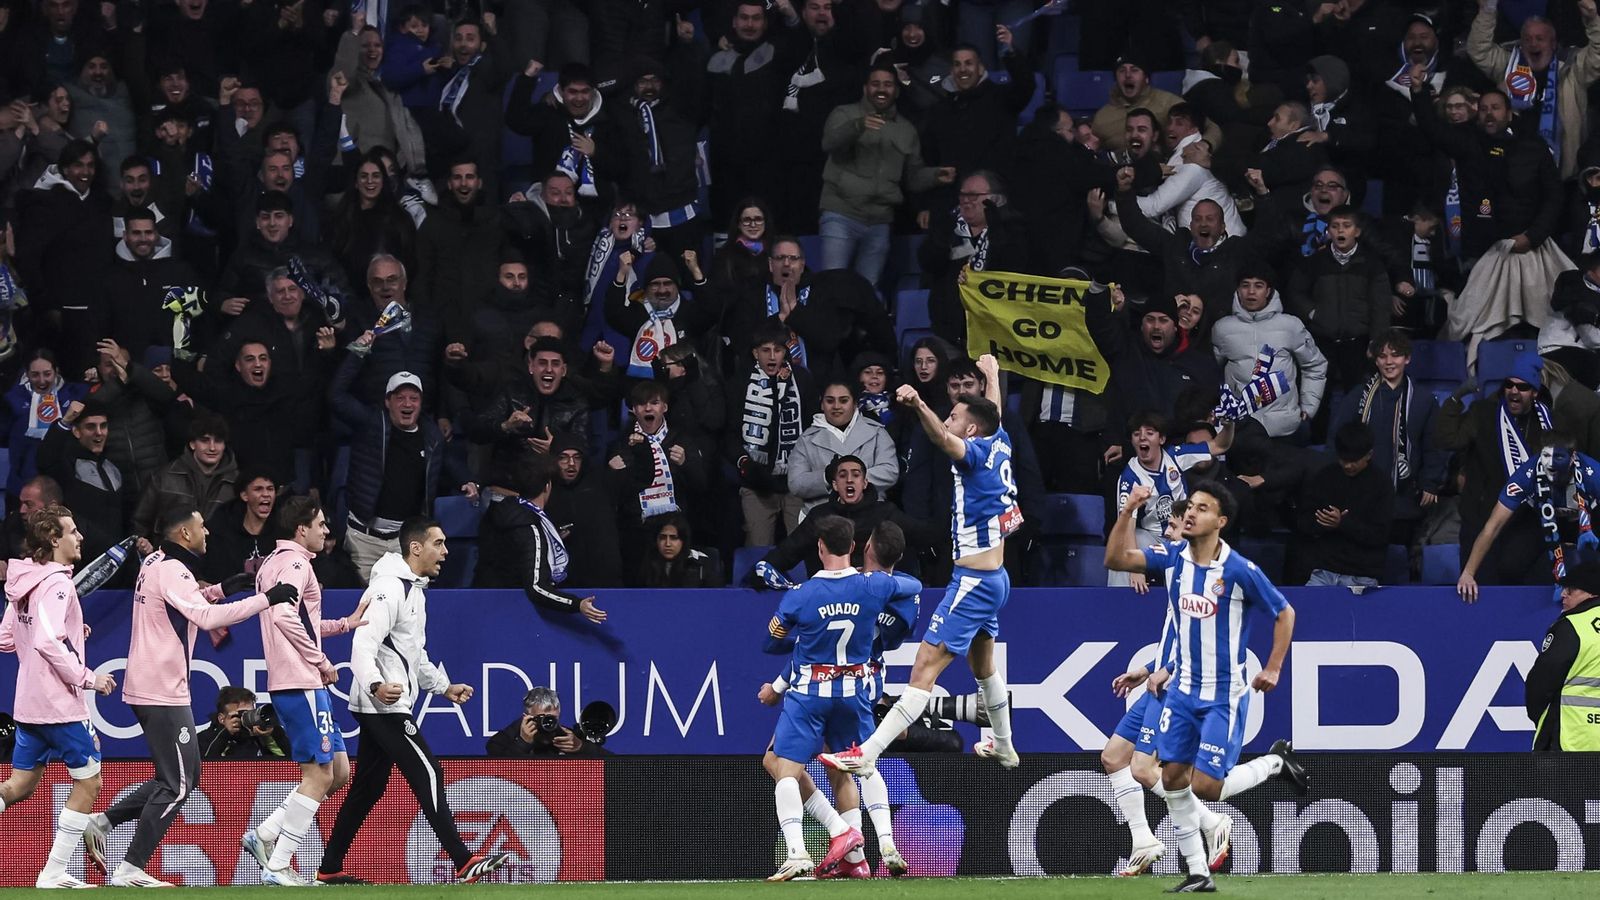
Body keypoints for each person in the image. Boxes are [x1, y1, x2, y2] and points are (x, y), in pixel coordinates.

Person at [821, 355, 1021, 774]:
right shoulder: (999, 438)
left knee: (923, 671)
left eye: (953, 415)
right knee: (984, 670)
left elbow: (945, 441)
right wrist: (991, 377)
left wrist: (917, 406)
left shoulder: (972, 454)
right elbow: (993, 412)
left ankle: (867, 753)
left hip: (973, 581)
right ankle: (1004, 745)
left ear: (970, 430)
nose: (948, 420)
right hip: (995, 578)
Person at [1104, 481, 1306, 892]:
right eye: (1190, 506)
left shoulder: (1239, 571)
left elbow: (1285, 613)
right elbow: (1116, 558)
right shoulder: (1174, 558)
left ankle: (1274, 763)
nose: (1192, 513)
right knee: (1173, 777)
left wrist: (1274, 667)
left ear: (1221, 521)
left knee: (1206, 788)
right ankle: (1198, 872)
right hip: (1179, 692)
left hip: (1222, 695)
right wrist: (1128, 512)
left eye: (1202, 508)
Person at [82, 510, 294, 887]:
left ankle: (103, 821)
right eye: (200, 525)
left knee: (182, 777)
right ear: (185, 532)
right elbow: (207, 618)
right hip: (161, 689)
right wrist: (266, 599)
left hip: (155, 685)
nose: (207, 530)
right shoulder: (173, 570)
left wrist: (222, 588)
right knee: (178, 784)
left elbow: (185, 603)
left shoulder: (155, 561)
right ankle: (130, 868)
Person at [317, 518, 511, 884]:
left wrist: (443, 687)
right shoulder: (389, 589)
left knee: (368, 788)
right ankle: (464, 860)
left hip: (380, 700)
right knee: (429, 772)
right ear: (416, 548)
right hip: (384, 703)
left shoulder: (413, 590)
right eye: (438, 543)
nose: (446, 551)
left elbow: (413, 653)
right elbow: (362, 644)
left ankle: (329, 868)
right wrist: (375, 685)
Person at [759, 520, 922, 879]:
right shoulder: (872, 587)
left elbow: (771, 641)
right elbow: (913, 585)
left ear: (819, 547)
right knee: (856, 766)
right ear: (853, 545)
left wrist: (799, 635)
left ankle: (801, 850)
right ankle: (866, 853)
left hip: (811, 692)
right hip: (855, 691)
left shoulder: (801, 594)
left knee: (783, 767)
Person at [241, 497, 369, 886]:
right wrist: (322, 662)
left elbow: (304, 621)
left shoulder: (274, 563)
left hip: (299, 680)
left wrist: (346, 624)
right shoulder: (296, 564)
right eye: (321, 524)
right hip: (300, 680)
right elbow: (283, 617)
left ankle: (263, 834)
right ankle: (278, 865)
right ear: (301, 529)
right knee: (318, 774)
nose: (326, 531)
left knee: (340, 772)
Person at [1102, 501, 1234, 876]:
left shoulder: (1206, 574)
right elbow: (1175, 637)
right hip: (1157, 682)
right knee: (1113, 757)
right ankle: (1143, 840)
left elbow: (1203, 641)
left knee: (1144, 768)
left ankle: (1211, 822)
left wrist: (1128, 510)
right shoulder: (1180, 572)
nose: (1169, 536)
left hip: (1176, 687)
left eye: (1174, 528)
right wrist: (1146, 671)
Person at [0, 506, 118, 888]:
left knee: (19, 785)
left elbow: (7, 638)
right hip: (58, 706)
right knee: (90, 784)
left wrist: (68, 632)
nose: (80, 536)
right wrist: (87, 678)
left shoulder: (25, 581)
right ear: (54, 540)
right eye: (72, 530)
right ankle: (53, 873)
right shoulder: (57, 583)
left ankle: (54, 873)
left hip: (28, 706)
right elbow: (47, 639)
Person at [1435, 355, 1551, 586]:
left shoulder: (1546, 422)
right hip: (1480, 519)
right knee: (1477, 592)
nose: (1514, 392)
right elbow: (1447, 439)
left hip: (1523, 523)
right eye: (1509, 384)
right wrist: (1456, 399)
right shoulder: (1483, 413)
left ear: (1535, 392)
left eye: (1522, 387)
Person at [1457, 434, 1600, 601]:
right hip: (1541, 517)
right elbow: (1493, 526)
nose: (1550, 464)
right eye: (1545, 456)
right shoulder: (1526, 475)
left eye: (1559, 457)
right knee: (1510, 565)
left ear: (1572, 458)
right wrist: (1468, 573)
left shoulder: (1594, 473)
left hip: (1586, 520)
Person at [474, 459, 609, 624]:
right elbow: (537, 587)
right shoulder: (530, 528)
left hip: (484, 606)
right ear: (547, 486)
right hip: (515, 614)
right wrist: (577, 604)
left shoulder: (500, 513)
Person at [1112, 410, 1235, 589]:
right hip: (1153, 538)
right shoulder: (1129, 479)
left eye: (1149, 433)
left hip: (1185, 533)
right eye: (1137, 434)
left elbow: (1219, 446)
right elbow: (1126, 524)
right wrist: (1135, 569)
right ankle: (1119, 605)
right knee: (1122, 547)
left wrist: (1229, 425)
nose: (1142, 438)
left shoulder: (1176, 456)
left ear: (1161, 439)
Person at [1295, 424, 1396, 587]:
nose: (1348, 466)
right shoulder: (1324, 477)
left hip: (1363, 575)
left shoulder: (1381, 484)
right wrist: (1325, 523)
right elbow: (1304, 522)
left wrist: (1342, 523)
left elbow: (1380, 535)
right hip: (1324, 572)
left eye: (1354, 461)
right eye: (1343, 460)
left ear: (1369, 454)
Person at [788, 380, 899, 512]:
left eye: (843, 400)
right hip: (821, 518)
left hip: (870, 512)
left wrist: (846, 477)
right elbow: (795, 483)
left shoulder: (877, 432)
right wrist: (825, 477)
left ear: (855, 403)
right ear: (822, 404)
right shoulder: (806, 439)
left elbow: (890, 471)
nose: (836, 406)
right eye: (830, 401)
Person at [1525, 561, 1600, 750]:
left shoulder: (1573, 626)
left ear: (1591, 593)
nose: (1563, 594)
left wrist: (1542, 719)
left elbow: (1541, 683)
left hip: (1573, 738)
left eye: (1571, 589)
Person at [130, 414, 238, 539]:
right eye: (204, 440)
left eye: (218, 441)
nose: (212, 448)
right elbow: (139, 523)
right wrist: (143, 546)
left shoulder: (237, 483)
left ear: (224, 445)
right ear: (192, 444)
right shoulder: (164, 477)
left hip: (219, 555)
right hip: (169, 554)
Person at [486, 686, 607, 758]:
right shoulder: (504, 740)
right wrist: (522, 743)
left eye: (552, 718)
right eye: (541, 718)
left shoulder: (566, 738)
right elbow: (498, 778)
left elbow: (614, 762)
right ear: (526, 717)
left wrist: (581, 747)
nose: (547, 724)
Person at [199, 686, 289, 759]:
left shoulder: (260, 737)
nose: (247, 718)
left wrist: (272, 734)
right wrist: (225, 734)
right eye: (241, 714)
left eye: (250, 713)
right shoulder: (204, 739)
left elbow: (294, 761)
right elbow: (204, 767)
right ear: (222, 719)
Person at [637, 513, 723, 588]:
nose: (668, 544)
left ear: (683, 540)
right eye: (663, 538)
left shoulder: (701, 564)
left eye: (674, 538)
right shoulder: (649, 561)